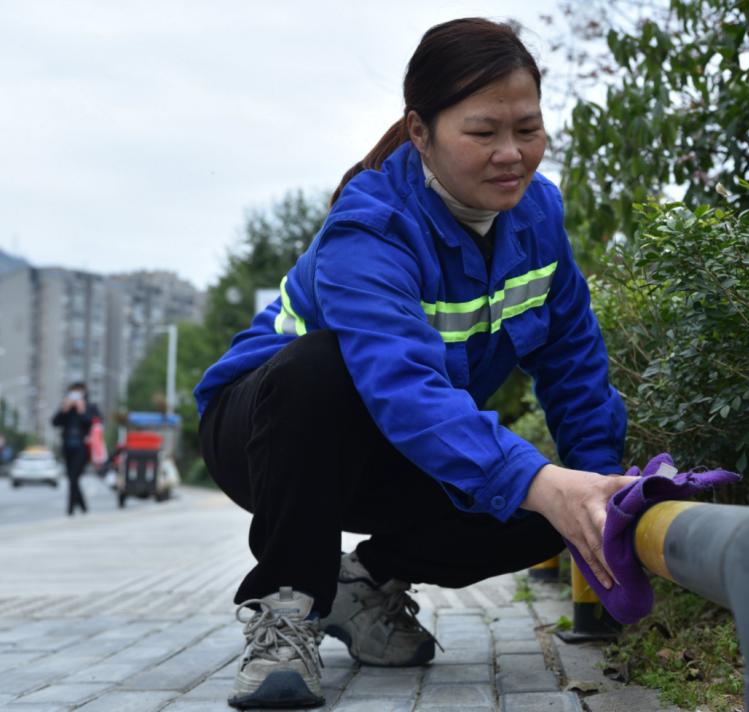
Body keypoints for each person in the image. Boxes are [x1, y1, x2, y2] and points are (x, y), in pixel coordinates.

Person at [194, 17, 631, 709]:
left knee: (549, 508)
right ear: (421, 132)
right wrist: (543, 480)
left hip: (392, 447)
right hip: (265, 432)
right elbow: (405, 389)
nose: (512, 154)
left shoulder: (539, 218)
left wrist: (599, 493)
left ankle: (360, 585)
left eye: (529, 129)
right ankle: (287, 608)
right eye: (483, 133)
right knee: (325, 366)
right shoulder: (371, 225)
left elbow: (575, 366)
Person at [51, 382, 100, 515]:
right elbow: (55, 422)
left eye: (79, 392)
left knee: (74, 477)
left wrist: (82, 411)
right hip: (68, 446)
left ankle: (71, 509)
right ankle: (82, 507)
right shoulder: (66, 407)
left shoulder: (90, 407)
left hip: (83, 447)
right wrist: (64, 410)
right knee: (72, 478)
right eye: (73, 392)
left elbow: (95, 424)